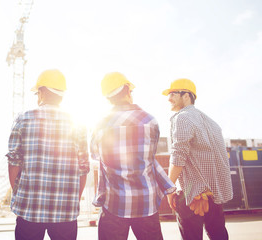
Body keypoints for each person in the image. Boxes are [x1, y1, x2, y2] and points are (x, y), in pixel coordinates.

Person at [90, 72, 176, 240]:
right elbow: (150, 157)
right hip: (146, 204)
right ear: (128, 91)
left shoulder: (99, 124)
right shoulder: (150, 121)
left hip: (114, 203)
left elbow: (94, 154)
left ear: (107, 98)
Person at [6, 69, 90, 240]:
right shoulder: (77, 124)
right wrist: (73, 198)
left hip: (29, 207)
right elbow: (83, 168)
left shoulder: (23, 119)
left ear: (42, 91)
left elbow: (14, 162)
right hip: (65, 211)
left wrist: (17, 192)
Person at [162, 78, 233, 240]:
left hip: (191, 193)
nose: (169, 98)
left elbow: (178, 155)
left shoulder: (182, 117)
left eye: (172, 94)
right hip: (215, 194)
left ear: (186, 95)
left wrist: (169, 188)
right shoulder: (213, 123)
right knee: (218, 234)